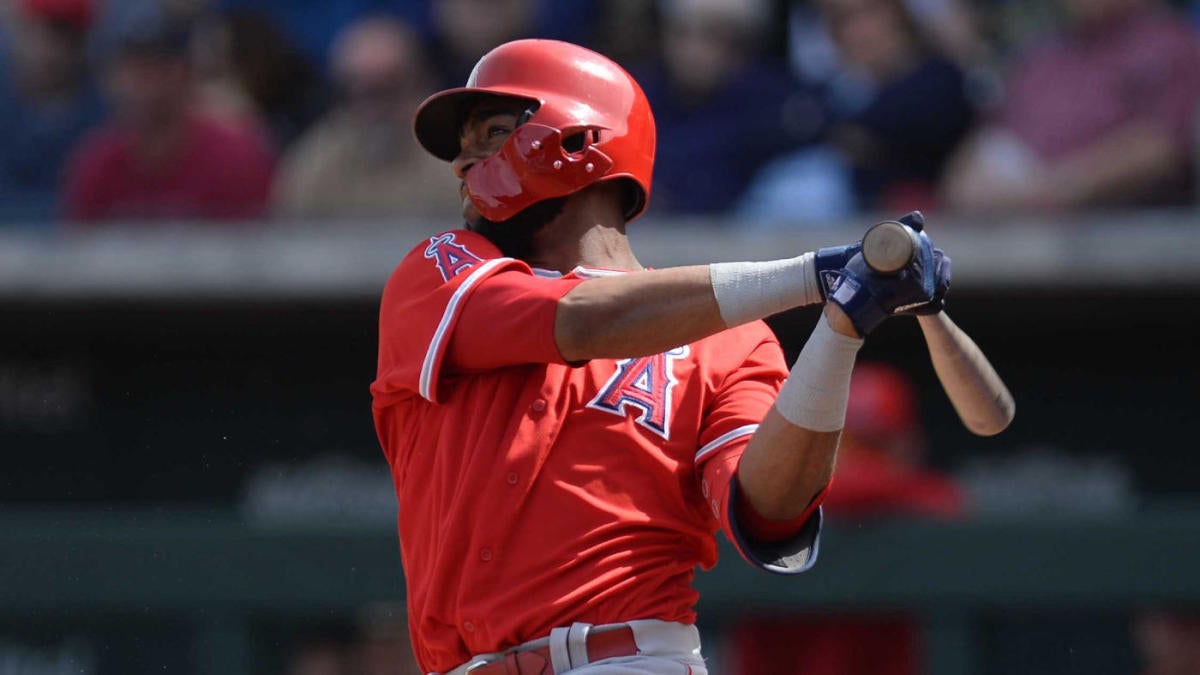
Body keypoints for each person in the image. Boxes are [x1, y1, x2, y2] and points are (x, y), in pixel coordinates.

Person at [371, 39, 953, 675]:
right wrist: (813, 275)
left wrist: (841, 329)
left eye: (490, 132)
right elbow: (589, 317)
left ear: (577, 137)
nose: (463, 162)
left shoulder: (733, 341)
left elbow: (770, 510)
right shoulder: (438, 272)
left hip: (627, 658)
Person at [940, 0, 1200, 212]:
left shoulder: (1172, 46)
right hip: (1012, 236)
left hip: (1123, 244)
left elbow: (1161, 149)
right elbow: (988, 139)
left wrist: (1058, 188)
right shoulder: (1044, 54)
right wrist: (966, 186)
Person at [62, 10, 275, 223]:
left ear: (186, 73)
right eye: (131, 69)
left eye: (158, 67)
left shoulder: (236, 159)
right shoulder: (96, 165)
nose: (143, 85)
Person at [272, 16, 459, 220]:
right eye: (362, 94)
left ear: (421, 85)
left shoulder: (456, 167)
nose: (376, 110)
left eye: (388, 91)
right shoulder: (312, 168)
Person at [0, 0, 105, 223]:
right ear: (19, 30)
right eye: (39, 32)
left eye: (67, 36)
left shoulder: (109, 109)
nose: (51, 48)